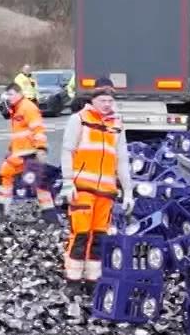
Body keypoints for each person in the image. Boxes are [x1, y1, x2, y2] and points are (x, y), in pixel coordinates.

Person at [57, 87, 135, 283]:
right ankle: (73, 279)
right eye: (103, 100)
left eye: (110, 101)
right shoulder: (80, 119)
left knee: (99, 238)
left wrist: (128, 192)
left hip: (106, 192)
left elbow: (122, 159)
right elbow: (68, 151)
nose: (107, 104)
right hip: (82, 188)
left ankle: (93, 280)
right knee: (80, 235)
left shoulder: (116, 124)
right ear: (93, 101)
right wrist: (68, 183)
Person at [0, 84, 53, 218]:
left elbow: (38, 129)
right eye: (7, 95)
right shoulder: (17, 109)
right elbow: (18, 134)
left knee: (38, 183)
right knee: (5, 174)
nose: (8, 98)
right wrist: (11, 149)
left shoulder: (27, 108)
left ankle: (50, 214)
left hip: (30, 153)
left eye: (10, 95)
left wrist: (41, 148)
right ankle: (2, 210)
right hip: (20, 153)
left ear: (19, 93)